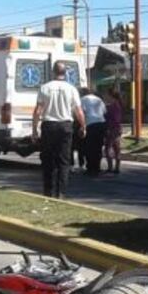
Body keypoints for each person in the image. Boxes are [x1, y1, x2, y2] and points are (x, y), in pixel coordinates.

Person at [32, 62, 85, 198]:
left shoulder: (45, 88)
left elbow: (38, 111)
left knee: (47, 159)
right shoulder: (71, 89)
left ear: (53, 72)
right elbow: (78, 111)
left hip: (49, 126)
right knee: (64, 160)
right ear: (65, 73)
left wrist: (34, 130)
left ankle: (48, 190)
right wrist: (83, 126)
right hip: (65, 126)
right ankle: (61, 191)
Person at [79, 87, 107, 176]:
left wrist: (81, 126)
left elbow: (81, 112)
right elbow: (104, 111)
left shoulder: (83, 99)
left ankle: (90, 168)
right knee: (98, 147)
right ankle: (97, 167)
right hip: (101, 124)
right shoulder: (98, 99)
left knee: (89, 147)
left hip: (90, 124)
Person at [103, 88, 123, 174]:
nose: (105, 97)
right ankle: (116, 167)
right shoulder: (115, 105)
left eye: (106, 95)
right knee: (116, 148)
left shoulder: (113, 106)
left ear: (111, 96)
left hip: (112, 129)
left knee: (109, 148)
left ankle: (111, 167)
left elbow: (115, 119)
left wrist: (109, 128)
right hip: (116, 129)